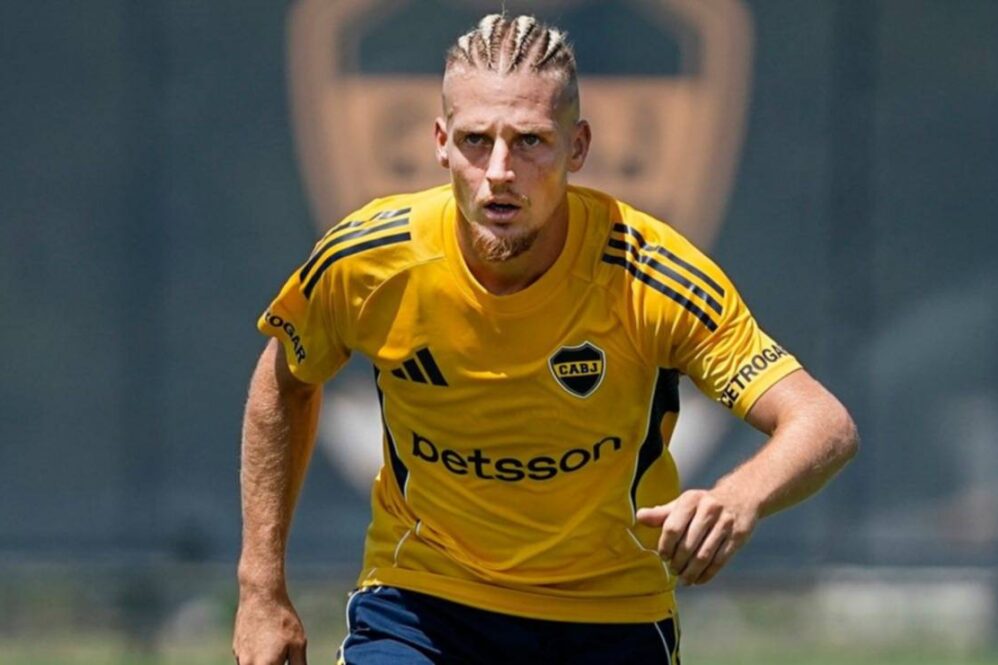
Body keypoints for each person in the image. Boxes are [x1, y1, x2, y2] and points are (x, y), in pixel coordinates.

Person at [233, 13, 858, 665]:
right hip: (422, 601)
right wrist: (259, 589)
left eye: (530, 141)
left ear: (578, 147)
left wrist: (737, 498)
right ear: (441, 142)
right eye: (476, 141)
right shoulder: (368, 262)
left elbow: (823, 423)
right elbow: (283, 384)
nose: (500, 171)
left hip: (609, 614)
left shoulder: (649, 275)